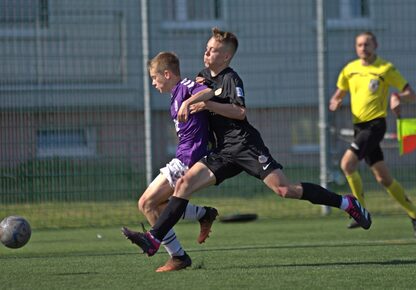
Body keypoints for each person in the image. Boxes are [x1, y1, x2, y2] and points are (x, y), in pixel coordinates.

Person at [122, 28, 372, 257]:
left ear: (226, 57)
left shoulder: (231, 78)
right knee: (184, 184)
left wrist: (206, 103)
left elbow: (240, 112)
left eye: (213, 50)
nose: (206, 52)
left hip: (244, 145)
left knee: (285, 190)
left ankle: (346, 202)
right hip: (222, 151)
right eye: (207, 48)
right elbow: (195, 92)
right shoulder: (200, 78)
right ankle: (154, 239)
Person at [122, 52, 218, 272]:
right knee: (159, 205)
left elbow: (209, 92)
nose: (154, 83)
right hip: (183, 157)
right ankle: (203, 214)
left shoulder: (185, 86)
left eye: (155, 78)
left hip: (189, 158)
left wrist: (189, 103)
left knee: (146, 203)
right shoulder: (175, 94)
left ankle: (178, 256)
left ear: (167, 74)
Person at [329, 31, 416, 237]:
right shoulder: (349, 70)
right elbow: (339, 92)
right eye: (360, 45)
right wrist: (336, 100)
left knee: (347, 164)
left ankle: (358, 210)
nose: (363, 48)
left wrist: (397, 96)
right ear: (356, 48)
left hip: (375, 125)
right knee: (383, 178)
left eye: (367, 44)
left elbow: (411, 94)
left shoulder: (385, 69)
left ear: (375, 45)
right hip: (359, 128)